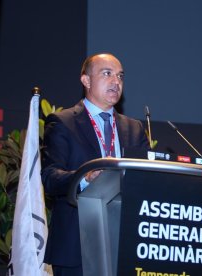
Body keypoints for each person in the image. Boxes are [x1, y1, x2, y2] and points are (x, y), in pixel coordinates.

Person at [41, 53, 149, 275]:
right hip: (77, 243)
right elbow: (50, 178)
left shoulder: (134, 128)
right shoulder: (63, 122)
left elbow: (147, 178)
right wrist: (84, 177)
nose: (116, 82)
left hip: (125, 241)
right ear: (86, 81)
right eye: (107, 74)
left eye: (120, 76)